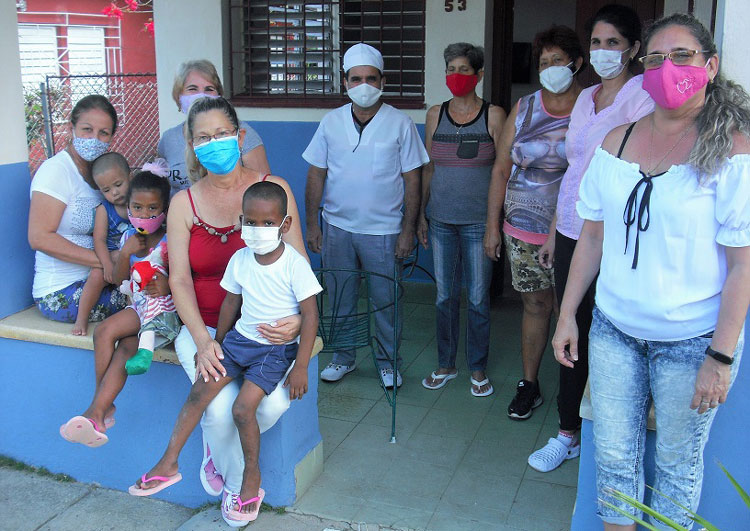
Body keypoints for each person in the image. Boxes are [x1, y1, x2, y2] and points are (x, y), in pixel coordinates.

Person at [553, 12, 750, 529]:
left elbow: (743, 266)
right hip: (615, 333)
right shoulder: (615, 141)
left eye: (681, 56)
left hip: (692, 341)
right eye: (657, 58)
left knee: (676, 468)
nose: (668, 67)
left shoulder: (732, 150)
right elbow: (592, 237)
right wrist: (569, 314)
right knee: (614, 462)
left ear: (709, 66)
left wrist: (721, 356)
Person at [129, 181, 321, 527]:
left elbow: (311, 316)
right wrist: (217, 342)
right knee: (200, 393)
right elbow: (232, 300)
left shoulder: (294, 265)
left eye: (267, 223)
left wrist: (301, 366)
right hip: (238, 341)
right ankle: (168, 463)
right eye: (251, 222)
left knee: (242, 408)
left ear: (285, 225)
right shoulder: (241, 258)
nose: (258, 230)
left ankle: (250, 475)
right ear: (240, 220)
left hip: (273, 352)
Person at [168, 96, 308, 525]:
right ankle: (240, 487)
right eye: (203, 138)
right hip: (205, 327)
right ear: (192, 147)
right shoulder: (183, 204)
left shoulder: (274, 189)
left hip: (267, 330)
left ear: (240, 136)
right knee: (216, 408)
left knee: (271, 407)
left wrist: (300, 321)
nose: (214, 144)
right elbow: (179, 280)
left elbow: (299, 262)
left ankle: (216, 447)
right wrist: (202, 339)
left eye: (222, 134)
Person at [527, 4, 655, 472]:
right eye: (596, 43)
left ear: (634, 50)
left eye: (613, 43)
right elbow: (573, 166)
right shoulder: (587, 97)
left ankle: (607, 432)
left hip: (615, 238)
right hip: (569, 229)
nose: (603, 52)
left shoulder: (642, 99)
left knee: (609, 338)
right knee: (570, 330)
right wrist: (550, 231)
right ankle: (567, 433)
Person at [304, 43, 430, 388]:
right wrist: (312, 223)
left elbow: (412, 179)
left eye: (371, 79)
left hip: (384, 231)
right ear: (344, 83)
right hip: (337, 227)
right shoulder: (330, 122)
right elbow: (316, 173)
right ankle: (343, 358)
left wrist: (407, 230)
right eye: (356, 79)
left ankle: (389, 363)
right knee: (340, 297)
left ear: (382, 80)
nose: (364, 86)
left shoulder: (400, 123)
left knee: (385, 300)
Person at [484, 26, 584, 416]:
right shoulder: (525, 107)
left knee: (570, 309)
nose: (549, 68)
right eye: (543, 62)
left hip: (575, 233)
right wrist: (493, 225)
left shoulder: (590, 108)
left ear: (576, 64)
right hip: (522, 229)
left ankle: (573, 391)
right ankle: (530, 384)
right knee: (536, 306)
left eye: (557, 61)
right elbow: (500, 170)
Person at [59, 170, 173, 447]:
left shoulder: (171, 239)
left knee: (116, 335)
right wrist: (125, 252)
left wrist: (167, 285)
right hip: (139, 308)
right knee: (111, 337)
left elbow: (185, 277)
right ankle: (100, 411)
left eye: (152, 208)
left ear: (165, 209)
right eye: (137, 207)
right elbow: (120, 278)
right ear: (128, 208)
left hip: (163, 311)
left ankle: (98, 409)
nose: (144, 213)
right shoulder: (128, 238)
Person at [417, 42, 505, 396]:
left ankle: (478, 368)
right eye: (451, 69)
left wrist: (493, 225)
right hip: (440, 220)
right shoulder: (435, 114)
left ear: (478, 74)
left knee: (479, 299)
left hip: (478, 223)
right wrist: (421, 217)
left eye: (464, 70)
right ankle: (446, 364)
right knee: (443, 296)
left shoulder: (494, 115)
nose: (456, 76)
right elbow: (429, 167)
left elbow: (503, 171)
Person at [29, 95, 130, 326]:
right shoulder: (56, 171)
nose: (94, 138)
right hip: (60, 290)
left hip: (96, 280)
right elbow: (39, 238)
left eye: (103, 133)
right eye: (87, 129)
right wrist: (107, 261)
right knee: (148, 298)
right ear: (71, 128)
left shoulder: (101, 175)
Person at [158, 59, 270, 195]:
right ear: (178, 96)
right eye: (192, 89)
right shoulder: (168, 140)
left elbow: (265, 190)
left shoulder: (239, 134)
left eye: (209, 89)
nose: (201, 95)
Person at [71, 153, 133, 336]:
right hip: (111, 257)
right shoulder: (103, 210)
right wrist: (105, 264)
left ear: (130, 177)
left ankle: (135, 316)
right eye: (106, 190)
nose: (114, 192)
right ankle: (81, 317)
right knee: (96, 276)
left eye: (118, 185)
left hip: (135, 257)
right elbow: (98, 240)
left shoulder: (138, 203)